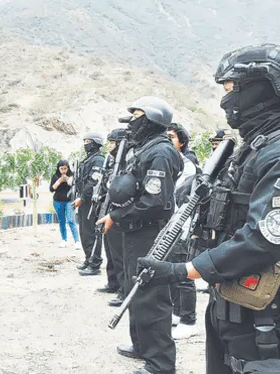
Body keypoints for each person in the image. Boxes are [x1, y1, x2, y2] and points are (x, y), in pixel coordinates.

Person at [136, 44, 280, 374]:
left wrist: (183, 271)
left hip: (268, 319)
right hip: (233, 303)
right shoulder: (254, 149)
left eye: (231, 89)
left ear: (262, 88)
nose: (226, 99)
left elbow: (264, 239)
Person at [97, 96, 182, 374]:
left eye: (137, 116)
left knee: (152, 297)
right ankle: (143, 346)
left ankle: (160, 364)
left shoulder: (159, 152)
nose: (132, 121)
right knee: (137, 291)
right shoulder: (145, 149)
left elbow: (154, 202)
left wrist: (116, 216)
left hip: (151, 233)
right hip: (137, 231)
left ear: (152, 119)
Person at [166, 123, 200, 340]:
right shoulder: (171, 163)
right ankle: (178, 313)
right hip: (170, 226)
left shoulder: (187, 166)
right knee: (171, 271)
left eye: (171, 137)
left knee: (183, 273)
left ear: (182, 142)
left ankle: (189, 319)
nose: (168, 141)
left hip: (183, 226)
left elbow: (181, 199)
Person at [98, 128, 128, 301]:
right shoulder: (112, 162)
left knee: (119, 253)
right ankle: (113, 283)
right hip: (108, 209)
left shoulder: (125, 162)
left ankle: (124, 290)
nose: (109, 146)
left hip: (119, 212)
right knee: (109, 250)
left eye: (112, 142)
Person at [73, 132, 105, 276]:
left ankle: (94, 264)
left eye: (88, 141)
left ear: (95, 143)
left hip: (91, 202)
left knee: (91, 233)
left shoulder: (98, 160)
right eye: (85, 141)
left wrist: (82, 197)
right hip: (84, 200)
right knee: (84, 233)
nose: (86, 143)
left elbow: (93, 181)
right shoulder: (88, 159)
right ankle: (88, 259)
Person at [49, 160, 79, 248]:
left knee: (71, 220)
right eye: (61, 169)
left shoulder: (72, 175)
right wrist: (59, 181)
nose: (63, 171)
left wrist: (68, 180)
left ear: (68, 168)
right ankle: (64, 240)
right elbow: (51, 189)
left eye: (65, 168)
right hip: (58, 201)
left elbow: (73, 186)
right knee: (61, 221)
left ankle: (77, 241)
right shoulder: (55, 176)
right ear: (58, 169)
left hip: (69, 201)